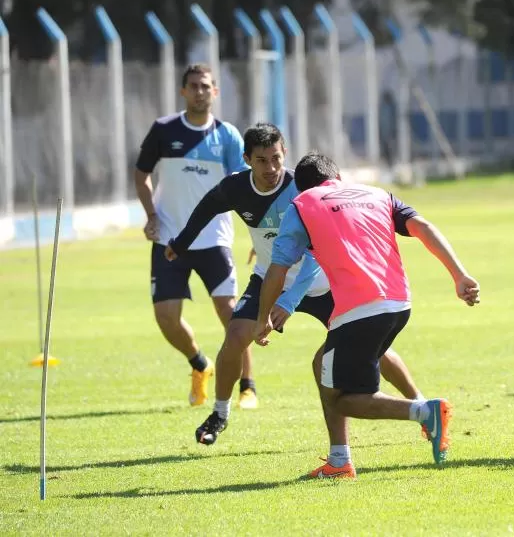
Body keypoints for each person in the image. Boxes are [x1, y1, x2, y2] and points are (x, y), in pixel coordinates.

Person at [162, 123, 425, 444]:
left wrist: (287, 303)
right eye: (261, 160)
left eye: (276, 158)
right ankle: (220, 413)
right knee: (234, 337)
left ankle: (422, 406)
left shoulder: (302, 189)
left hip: (320, 283)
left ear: (284, 153)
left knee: (375, 352)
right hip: (267, 278)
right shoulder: (235, 189)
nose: (271, 168)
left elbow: (314, 256)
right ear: (247, 159)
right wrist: (182, 241)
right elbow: (207, 206)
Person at [255, 153, 480, 479]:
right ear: (338, 177)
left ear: (299, 188)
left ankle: (421, 412)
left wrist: (263, 316)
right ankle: (340, 458)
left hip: (359, 310)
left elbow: (278, 269)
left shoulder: (302, 205)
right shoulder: (375, 194)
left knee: (341, 399)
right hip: (399, 304)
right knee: (323, 365)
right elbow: (422, 227)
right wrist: (459, 275)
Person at [134, 63, 248, 406]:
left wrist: (258, 238)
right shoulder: (163, 130)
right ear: (183, 91)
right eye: (193, 86)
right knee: (166, 318)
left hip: (215, 238)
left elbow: (244, 188)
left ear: (216, 92)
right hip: (169, 239)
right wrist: (151, 215)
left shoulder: (228, 135)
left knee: (232, 314)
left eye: (206, 86)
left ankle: (248, 388)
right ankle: (200, 364)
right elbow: (141, 175)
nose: (200, 91)